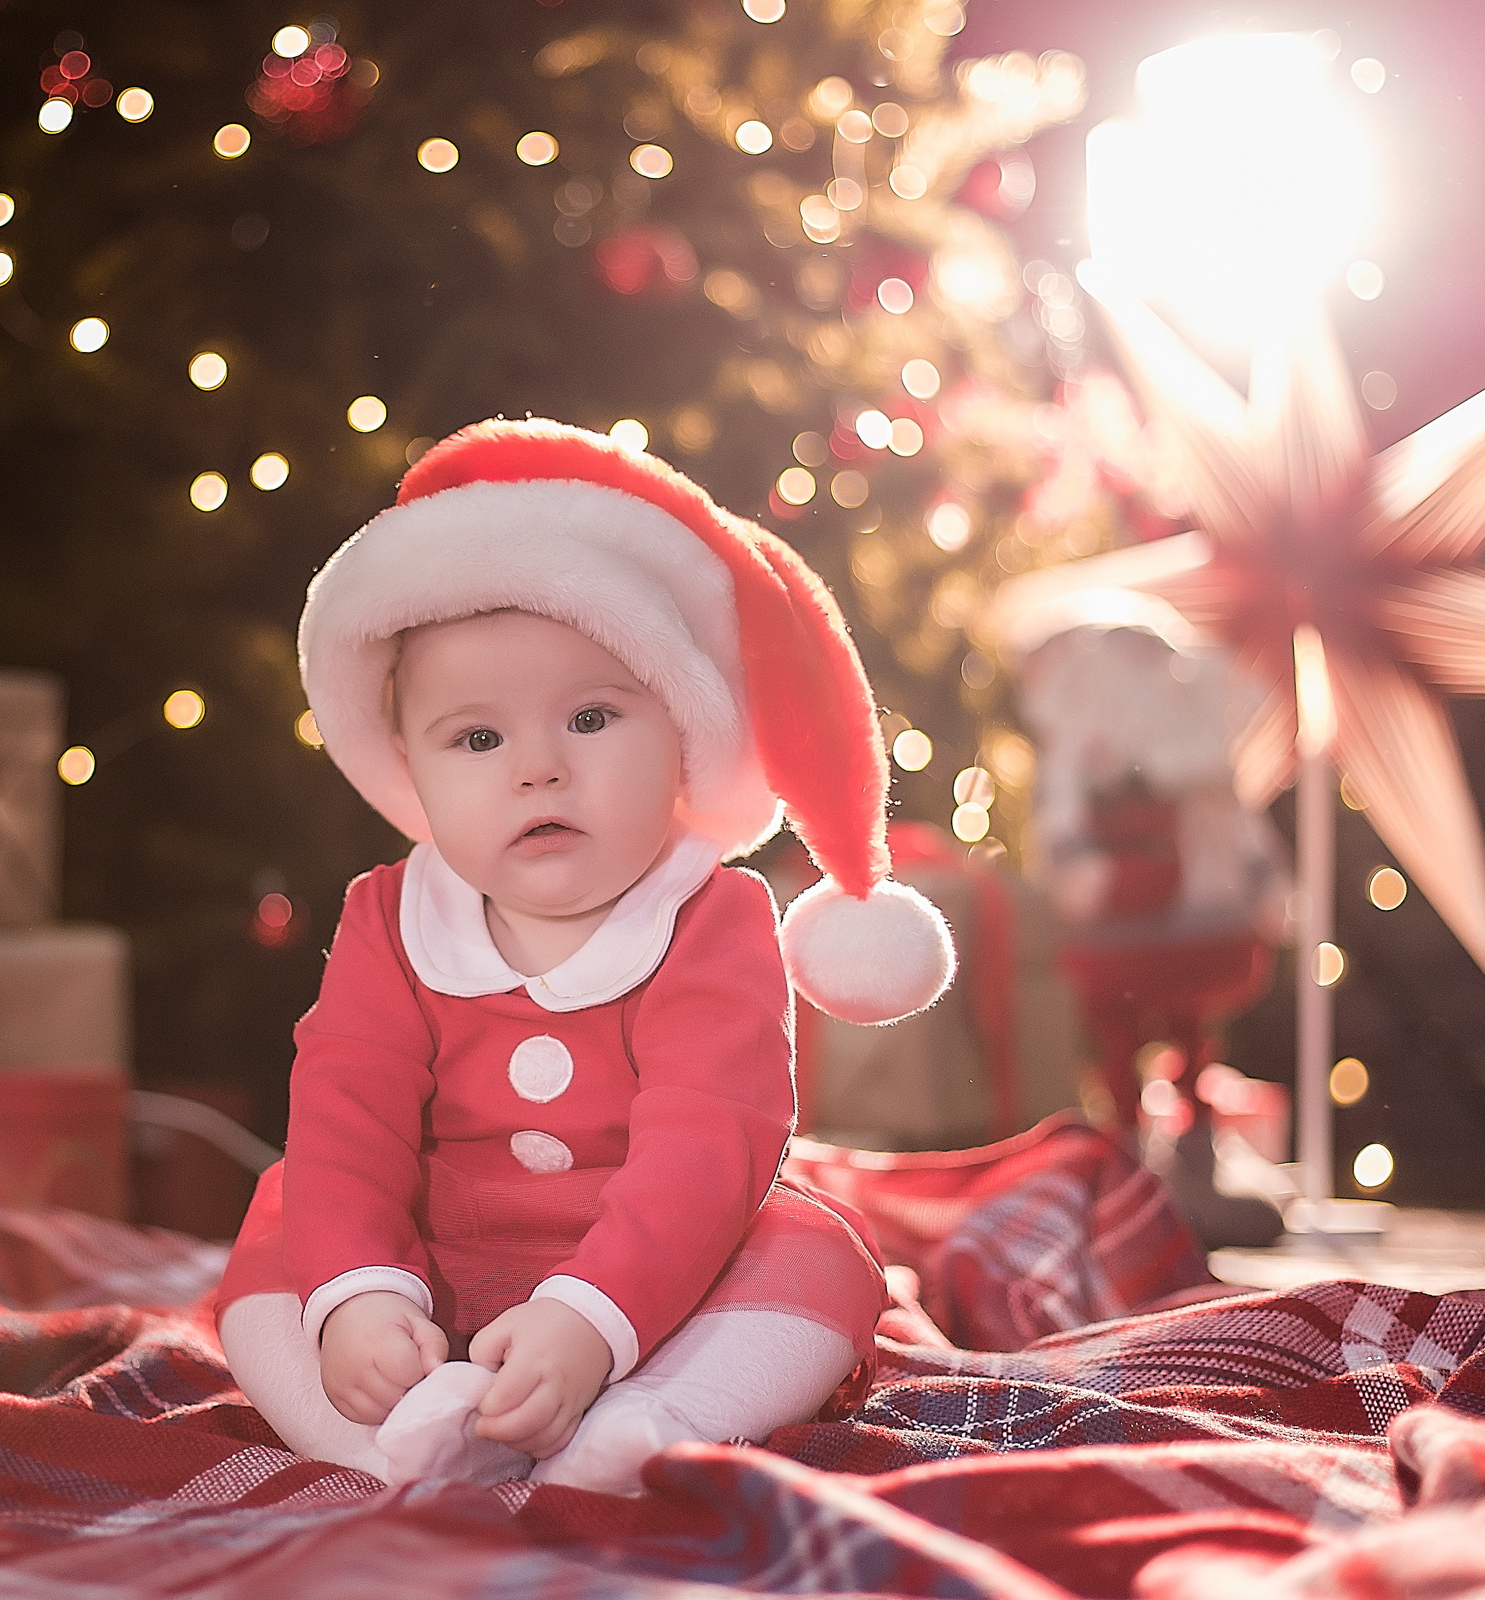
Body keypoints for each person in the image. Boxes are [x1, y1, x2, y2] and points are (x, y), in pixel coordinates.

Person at [214, 419, 956, 1494]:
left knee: (822, 1257)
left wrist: (589, 1322)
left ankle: (658, 1421)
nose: (540, 770)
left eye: (594, 716)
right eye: (479, 739)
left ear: (685, 735)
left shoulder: (711, 920)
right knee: (286, 1223)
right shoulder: (391, 919)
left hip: (662, 1276)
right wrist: (364, 1296)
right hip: (434, 1258)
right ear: (409, 771)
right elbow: (349, 1115)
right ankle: (387, 1441)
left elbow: (707, 1144)